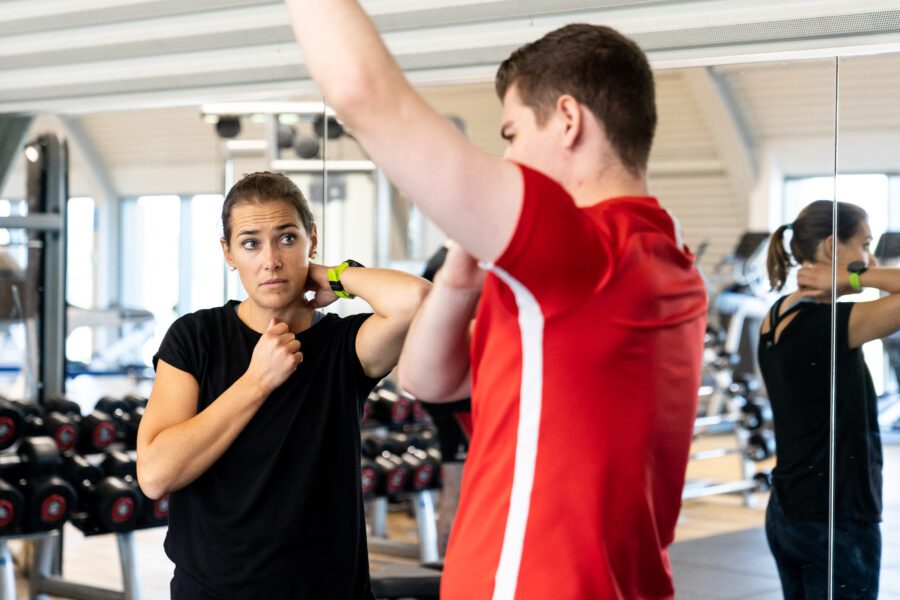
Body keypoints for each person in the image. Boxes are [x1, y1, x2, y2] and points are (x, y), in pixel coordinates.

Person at [284, 5, 709, 598]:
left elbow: (360, 92)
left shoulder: (587, 248)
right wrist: (459, 281)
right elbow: (427, 381)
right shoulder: (663, 255)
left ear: (567, 120)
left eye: (511, 136)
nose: (506, 161)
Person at [135, 171, 430, 599]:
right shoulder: (195, 337)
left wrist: (333, 276)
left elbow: (417, 301)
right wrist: (257, 381)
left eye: (287, 238)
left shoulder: (342, 347)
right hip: (214, 591)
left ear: (312, 239)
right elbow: (156, 474)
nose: (270, 260)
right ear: (228, 253)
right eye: (251, 242)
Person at [759, 200, 886, 600]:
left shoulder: (777, 315)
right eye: (864, 245)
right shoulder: (835, 326)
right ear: (834, 247)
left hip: (787, 511)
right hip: (837, 522)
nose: (870, 258)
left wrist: (846, 282)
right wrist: (853, 280)